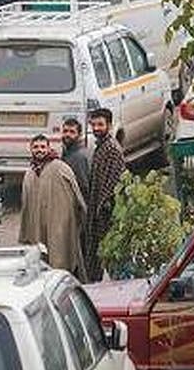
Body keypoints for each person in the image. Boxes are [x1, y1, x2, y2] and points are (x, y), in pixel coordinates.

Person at [19, 134, 86, 275]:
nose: (40, 150)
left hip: (59, 227)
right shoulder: (30, 173)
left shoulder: (61, 168)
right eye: (36, 147)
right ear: (30, 149)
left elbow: (77, 198)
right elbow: (26, 206)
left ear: (49, 148)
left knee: (60, 259)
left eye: (43, 146)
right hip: (38, 227)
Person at [82, 108, 126, 282]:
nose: (96, 128)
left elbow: (114, 184)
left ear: (109, 125)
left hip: (105, 216)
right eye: (94, 125)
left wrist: (101, 210)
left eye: (100, 124)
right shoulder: (100, 147)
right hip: (96, 211)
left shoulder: (112, 149)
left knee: (106, 258)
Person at [60, 117, 90, 194]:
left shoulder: (79, 157)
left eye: (72, 132)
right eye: (65, 131)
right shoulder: (67, 152)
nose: (67, 134)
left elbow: (83, 186)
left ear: (79, 135)